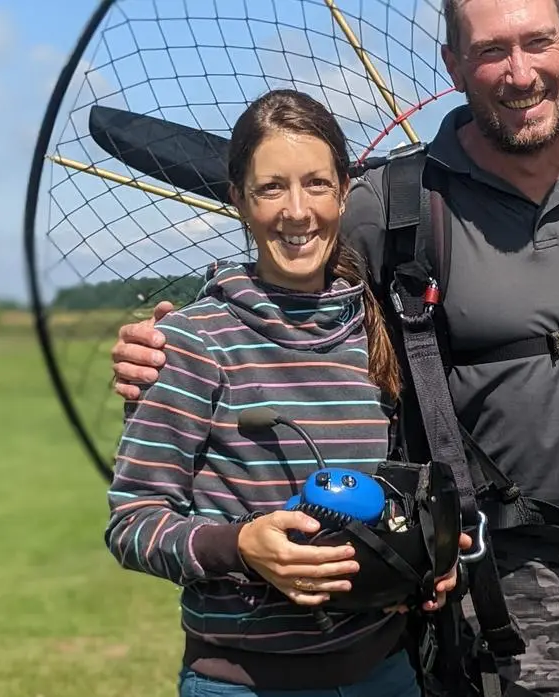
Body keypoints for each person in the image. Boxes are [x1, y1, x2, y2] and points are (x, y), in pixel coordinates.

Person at [110, 1, 559, 695]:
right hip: (493, 587)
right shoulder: (394, 203)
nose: (519, 72)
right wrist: (165, 341)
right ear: (453, 64)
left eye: (537, 42)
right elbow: (289, 262)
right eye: (490, 50)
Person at [104, 88, 462, 697]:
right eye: (271, 188)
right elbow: (132, 522)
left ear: (344, 192)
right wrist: (240, 546)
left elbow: (404, 488)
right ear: (239, 201)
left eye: (316, 184)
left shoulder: (384, 332)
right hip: (244, 681)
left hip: (387, 674)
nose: (297, 211)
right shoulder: (195, 341)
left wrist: (433, 545)